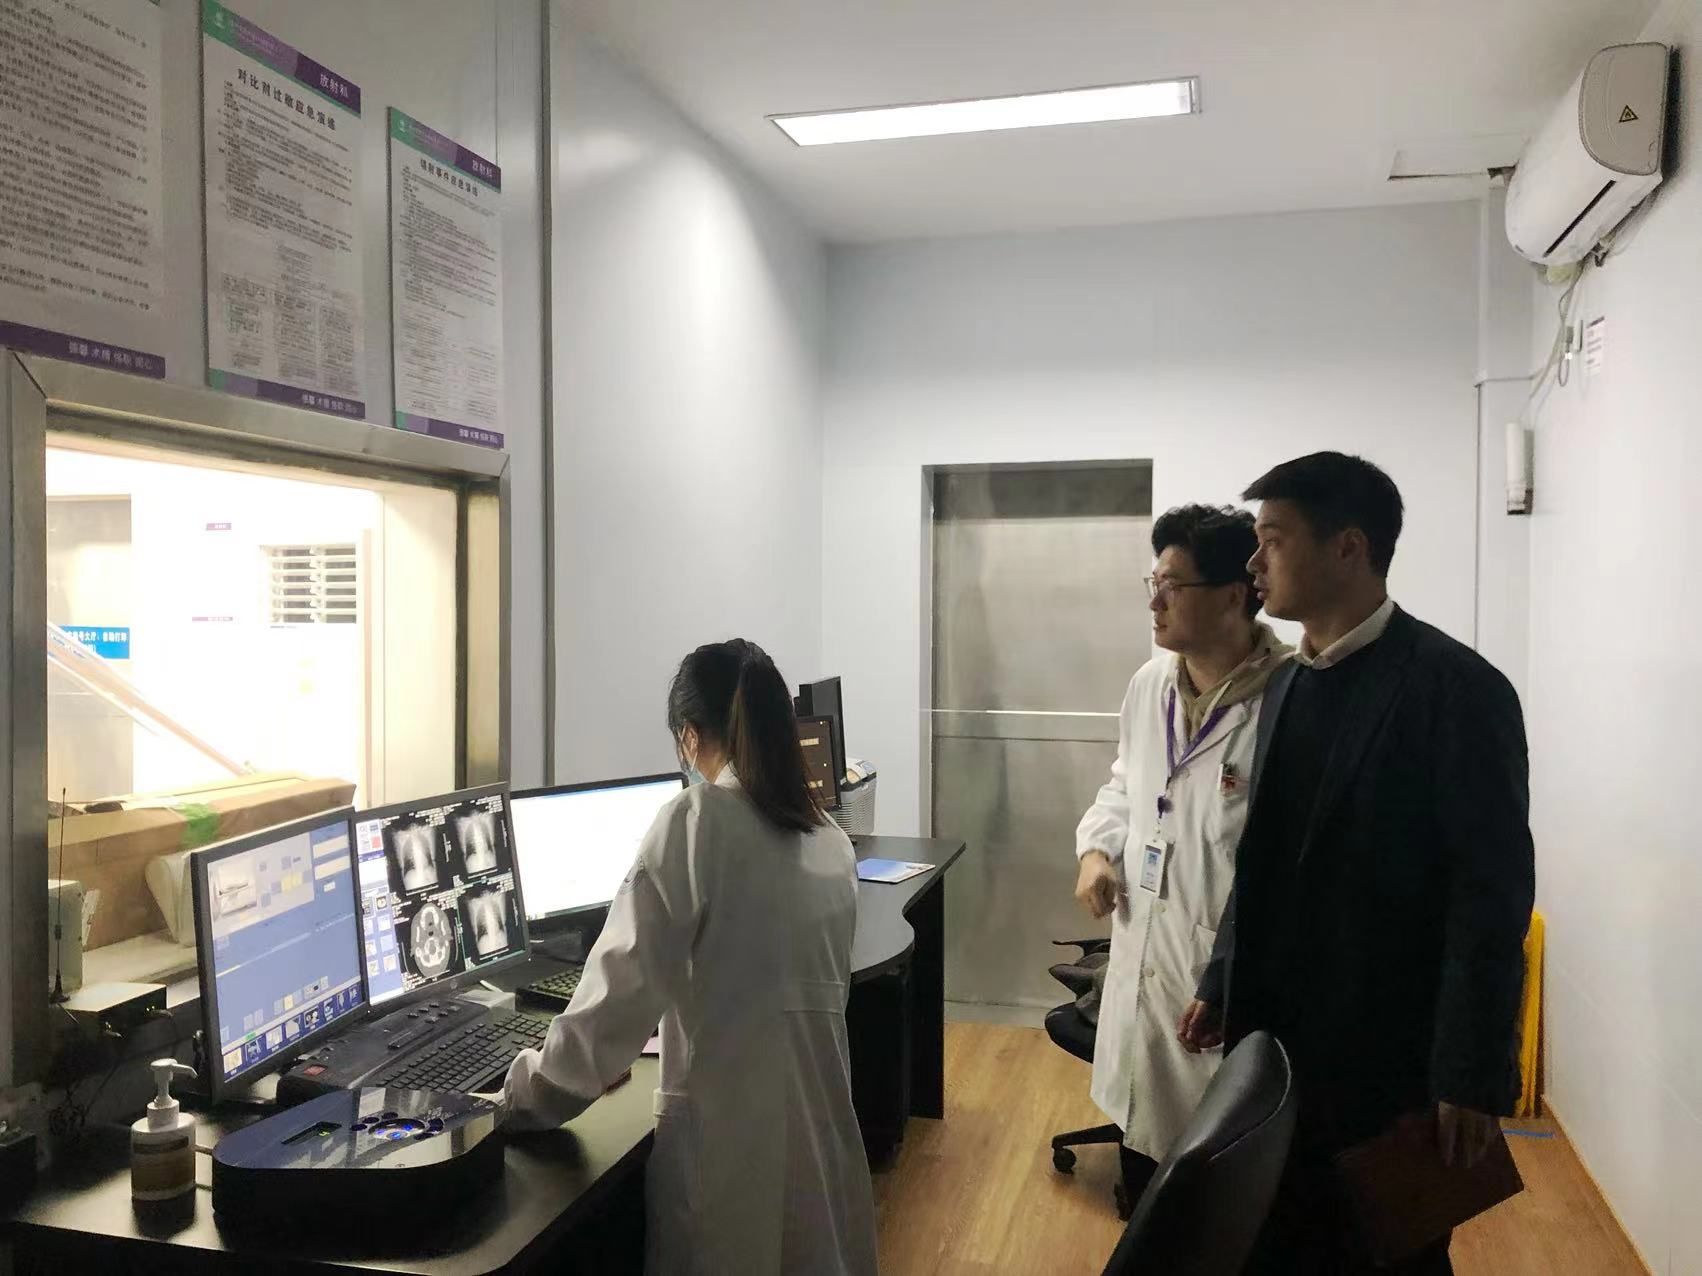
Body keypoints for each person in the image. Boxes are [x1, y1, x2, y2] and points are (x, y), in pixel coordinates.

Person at [1178, 453, 1534, 1275]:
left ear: (1348, 547)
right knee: (1276, 1243)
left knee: (1387, 1253)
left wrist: (1470, 1072)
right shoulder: (1287, 685)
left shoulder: (1457, 688)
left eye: (1273, 539)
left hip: (1388, 1056)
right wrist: (1221, 975)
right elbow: (1264, 851)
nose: (1254, 562)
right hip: (1276, 1045)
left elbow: (1490, 896)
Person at [496, 639, 879, 1276]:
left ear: (690, 737)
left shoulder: (695, 821)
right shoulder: (831, 842)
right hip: (822, 1149)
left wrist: (513, 1100)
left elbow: (610, 1009)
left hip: (727, 1166)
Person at [1074, 505, 1291, 1193]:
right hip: (1144, 951)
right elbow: (1125, 784)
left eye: (1172, 586)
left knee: (1216, 1183)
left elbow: (1290, 866)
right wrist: (1096, 852)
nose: (1155, 602)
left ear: (1234, 594)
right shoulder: (1151, 684)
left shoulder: (1289, 698)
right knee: (1142, 1166)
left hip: (1218, 980)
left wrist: (1229, 976)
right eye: (1154, 583)